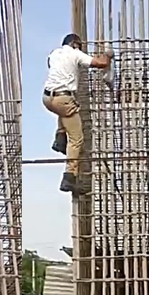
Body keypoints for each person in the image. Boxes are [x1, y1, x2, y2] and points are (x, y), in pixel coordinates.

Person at [43, 33, 114, 192]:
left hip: (47, 98)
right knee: (76, 138)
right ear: (75, 44)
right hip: (63, 100)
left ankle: (60, 138)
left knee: (65, 109)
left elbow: (52, 65)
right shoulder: (75, 53)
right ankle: (69, 177)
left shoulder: (54, 54)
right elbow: (100, 63)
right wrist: (108, 56)